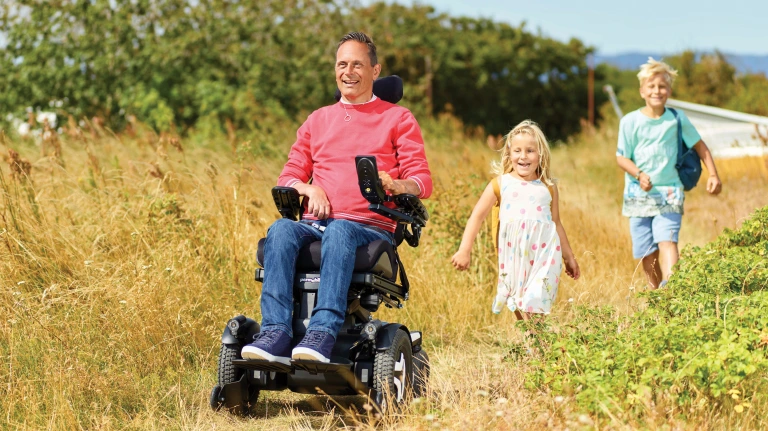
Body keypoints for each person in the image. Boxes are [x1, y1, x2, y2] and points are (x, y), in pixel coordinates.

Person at [242, 32, 432, 364]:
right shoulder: (318, 120)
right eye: (342, 64)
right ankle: (276, 331)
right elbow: (288, 176)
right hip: (317, 225)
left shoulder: (398, 118)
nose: (349, 71)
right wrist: (308, 189)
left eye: (357, 64)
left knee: (342, 229)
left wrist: (398, 185)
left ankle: (322, 333)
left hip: (369, 227)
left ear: (375, 70)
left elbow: (422, 181)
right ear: (335, 69)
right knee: (281, 231)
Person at [451, 120, 579, 320]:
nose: (523, 156)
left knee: (535, 305)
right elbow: (477, 216)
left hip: (545, 256)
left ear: (541, 154)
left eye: (530, 151)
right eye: (517, 150)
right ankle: (535, 348)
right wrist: (464, 250)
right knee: (522, 309)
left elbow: (556, 223)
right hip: (514, 258)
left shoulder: (548, 187)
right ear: (509, 154)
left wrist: (569, 256)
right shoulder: (501, 184)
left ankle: (537, 348)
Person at [616, 58, 722, 289]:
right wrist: (639, 174)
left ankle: (673, 291)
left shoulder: (676, 119)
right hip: (638, 194)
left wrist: (713, 175)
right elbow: (621, 157)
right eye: (651, 86)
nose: (657, 91)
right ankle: (656, 296)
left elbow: (700, 147)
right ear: (642, 90)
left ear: (669, 91)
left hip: (670, 192)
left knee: (668, 242)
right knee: (646, 252)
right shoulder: (630, 122)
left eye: (662, 86)